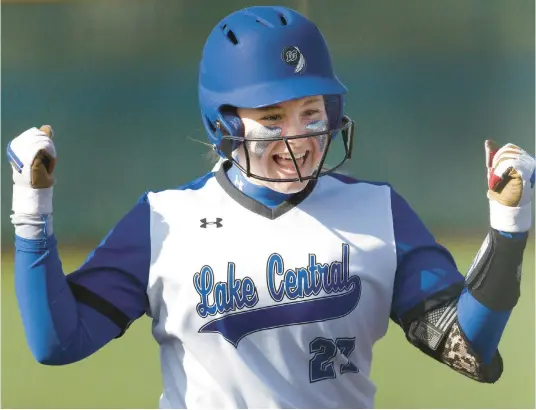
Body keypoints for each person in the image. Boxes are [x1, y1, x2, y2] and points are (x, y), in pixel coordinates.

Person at [7, 6, 535, 409]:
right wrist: (33, 210)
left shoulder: (378, 212)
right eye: (273, 116)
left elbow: (468, 348)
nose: (299, 136)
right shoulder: (164, 222)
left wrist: (509, 229)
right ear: (224, 123)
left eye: (311, 111)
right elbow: (59, 340)